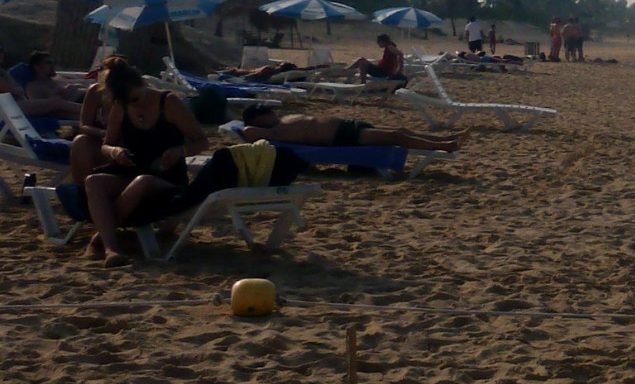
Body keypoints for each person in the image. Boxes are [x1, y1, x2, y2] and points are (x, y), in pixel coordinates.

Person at [83, 57, 209, 266]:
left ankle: (102, 241)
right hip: (132, 169)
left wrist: (180, 150)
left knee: (143, 182)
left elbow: (203, 142)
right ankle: (111, 249)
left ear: (141, 84)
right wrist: (116, 152)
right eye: (128, 102)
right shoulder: (121, 106)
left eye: (135, 99)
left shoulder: (168, 103)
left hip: (166, 177)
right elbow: (106, 145)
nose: (134, 104)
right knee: (93, 182)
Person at [238, 105, 460, 152]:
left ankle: (444, 138)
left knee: (401, 129)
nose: (272, 113)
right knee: (396, 136)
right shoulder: (269, 131)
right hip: (341, 137)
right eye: (266, 113)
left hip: (347, 126)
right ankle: (446, 146)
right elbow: (248, 132)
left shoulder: (280, 123)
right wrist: (255, 125)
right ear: (258, 119)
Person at [7, 51, 82, 119]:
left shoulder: (56, 80)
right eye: (48, 63)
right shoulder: (33, 86)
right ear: (37, 67)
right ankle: (91, 112)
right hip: (81, 106)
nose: (52, 65)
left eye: (53, 62)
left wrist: (71, 88)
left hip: (84, 100)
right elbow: (43, 108)